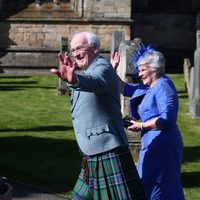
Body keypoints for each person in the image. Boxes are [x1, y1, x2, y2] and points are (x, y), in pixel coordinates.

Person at [50, 32, 147, 199]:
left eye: (79, 48)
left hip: (106, 150)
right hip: (92, 151)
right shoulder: (90, 70)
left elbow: (97, 82)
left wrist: (75, 81)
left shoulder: (102, 67)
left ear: (94, 47)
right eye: (73, 50)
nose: (75, 54)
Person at [111, 45, 185, 200]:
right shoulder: (149, 87)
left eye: (142, 70)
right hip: (153, 142)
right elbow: (125, 89)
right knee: (147, 185)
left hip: (164, 144)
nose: (139, 73)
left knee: (159, 186)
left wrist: (142, 125)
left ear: (154, 69)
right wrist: (112, 70)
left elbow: (168, 118)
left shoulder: (164, 86)